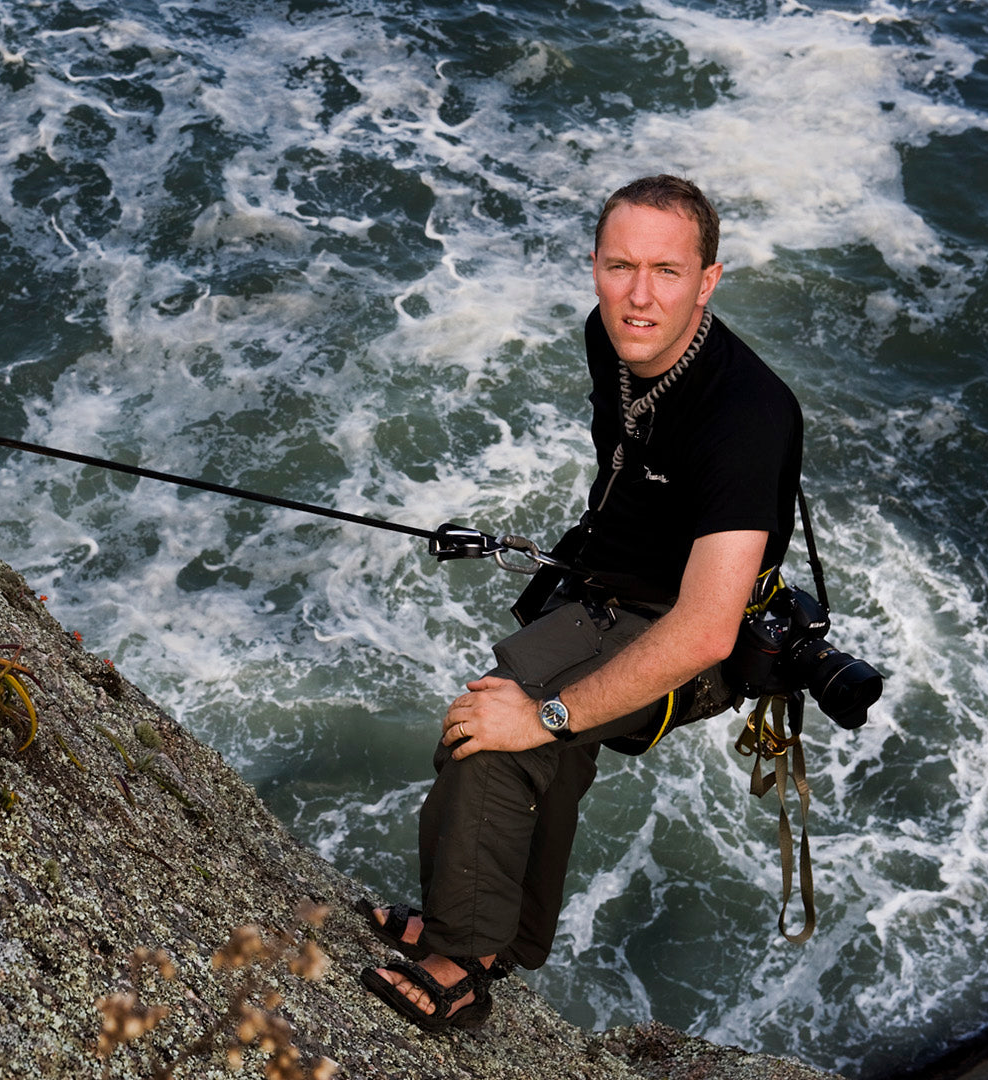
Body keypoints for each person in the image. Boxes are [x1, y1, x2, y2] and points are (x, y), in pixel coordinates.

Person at [360, 175, 804, 1031]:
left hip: (690, 630)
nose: (639, 296)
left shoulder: (749, 417)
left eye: (668, 272)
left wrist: (548, 711)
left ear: (708, 281)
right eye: (619, 266)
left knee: (492, 726)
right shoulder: (613, 340)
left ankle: (459, 964)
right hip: (608, 584)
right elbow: (629, 472)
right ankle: (504, 936)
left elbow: (708, 629)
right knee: (534, 747)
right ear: (594, 266)